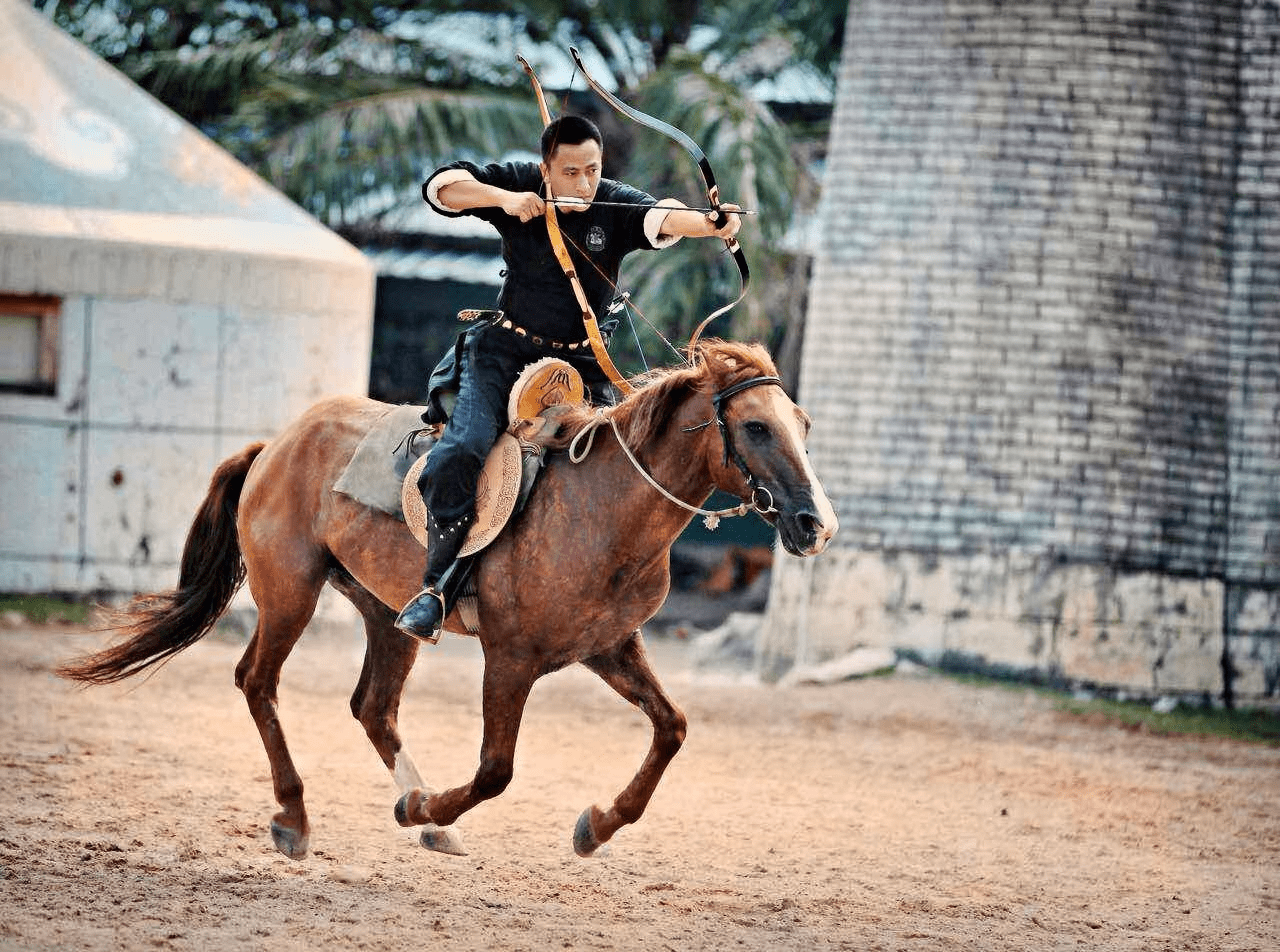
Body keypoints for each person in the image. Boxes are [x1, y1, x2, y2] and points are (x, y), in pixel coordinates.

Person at [394, 114, 742, 641]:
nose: (584, 184)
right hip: (503, 356)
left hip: (582, 368)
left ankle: (598, 593)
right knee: (462, 449)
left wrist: (709, 223)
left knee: (620, 463)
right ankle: (435, 588)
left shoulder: (613, 202)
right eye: (571, 172)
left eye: (593, 170)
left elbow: (662, 217)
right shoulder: (517, 185)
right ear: (546, 168)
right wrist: (505, 201)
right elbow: (441, 187)